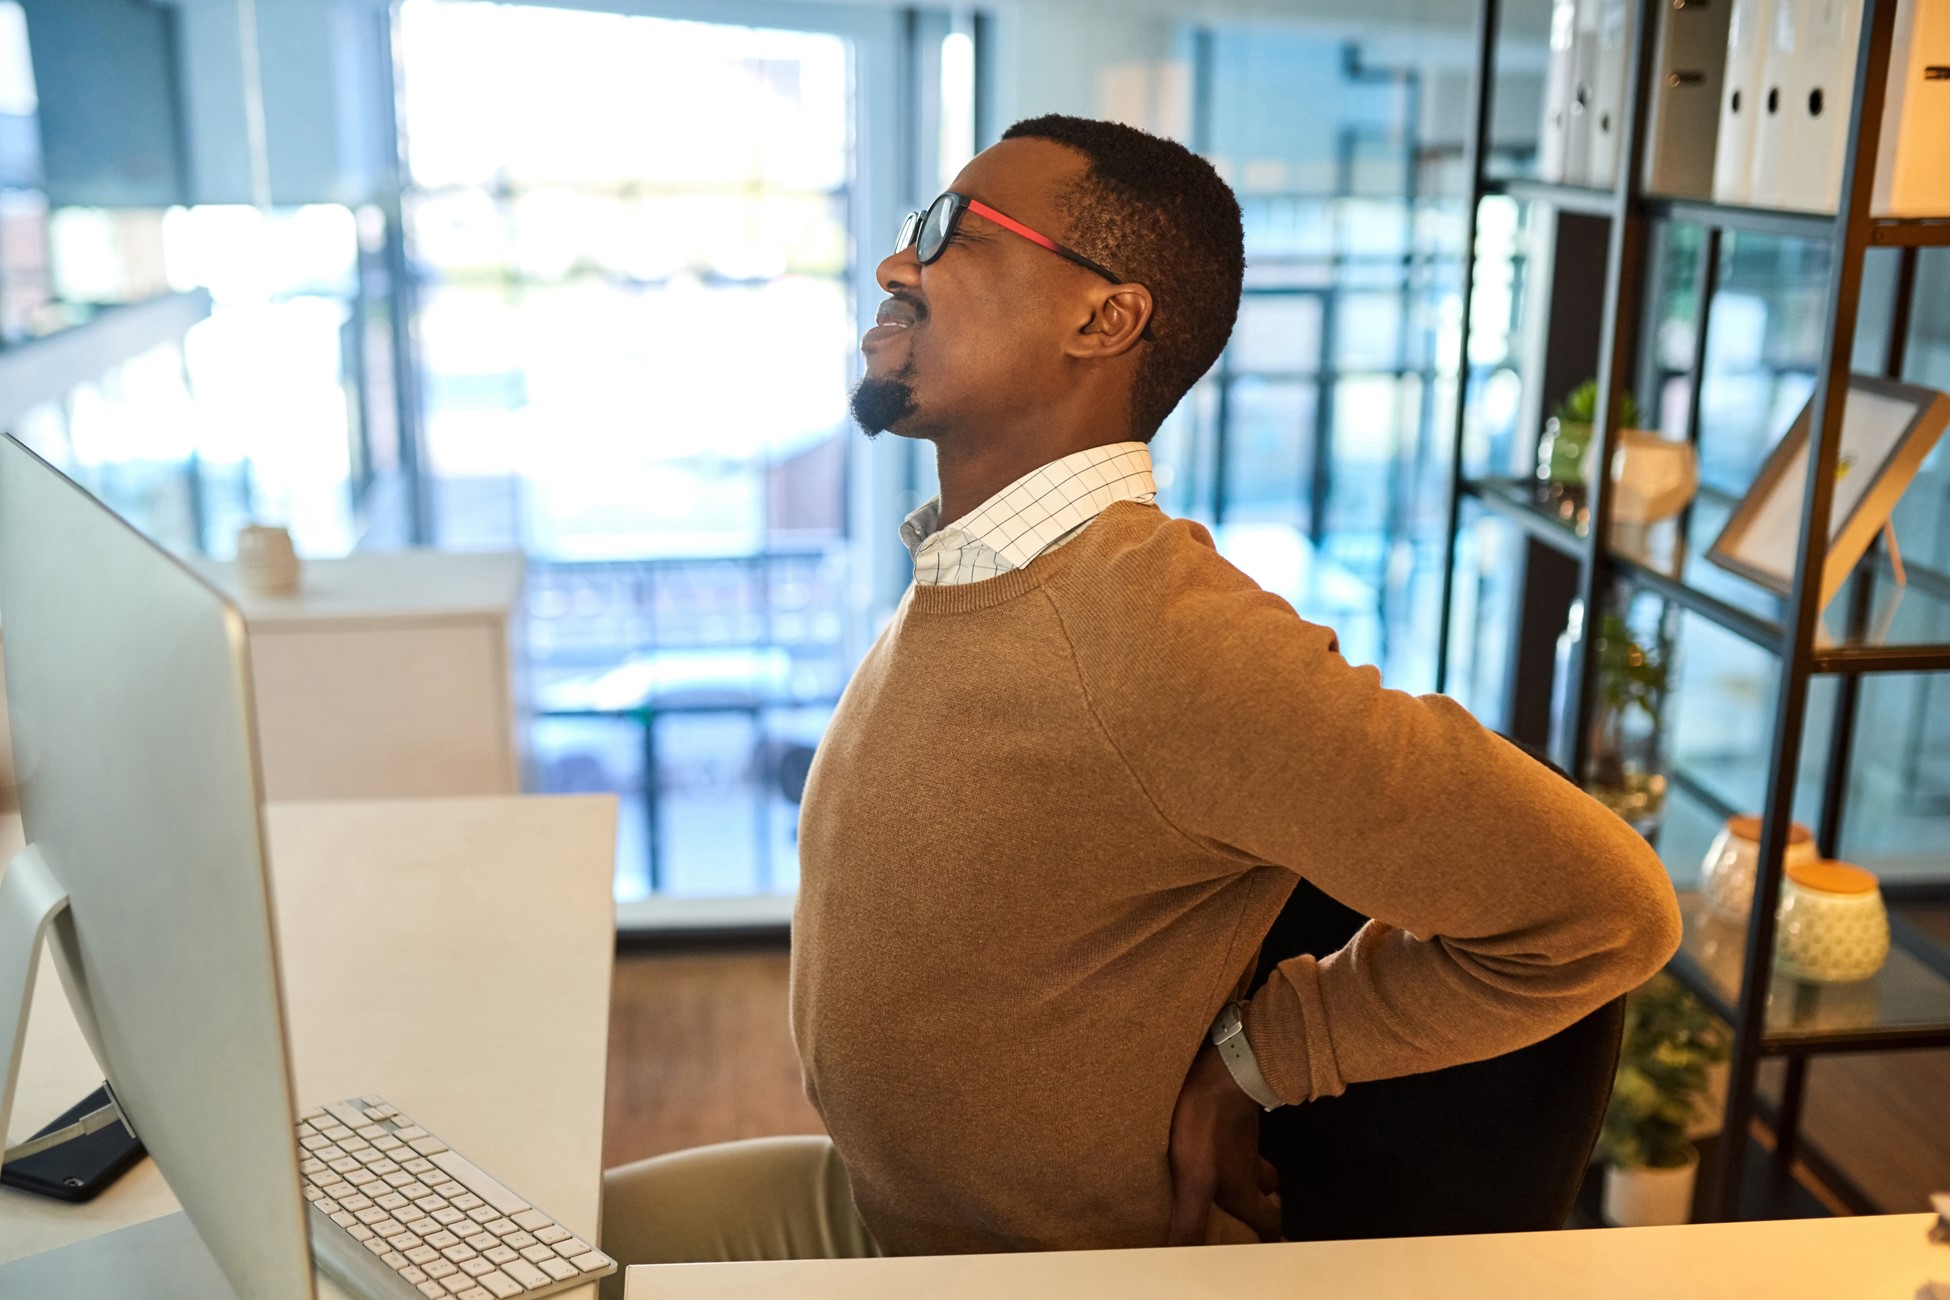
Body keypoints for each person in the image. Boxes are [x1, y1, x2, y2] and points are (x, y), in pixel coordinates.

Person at [600, 116, 1681, 1280]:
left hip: (1030, 1266)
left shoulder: (1170, 641)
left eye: (951, 230)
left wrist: (1261, 1057)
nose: (896, 263)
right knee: (520, 1243)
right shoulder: (980, 564)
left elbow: (1608, 906)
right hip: (885, 1208)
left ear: (1103, 317)